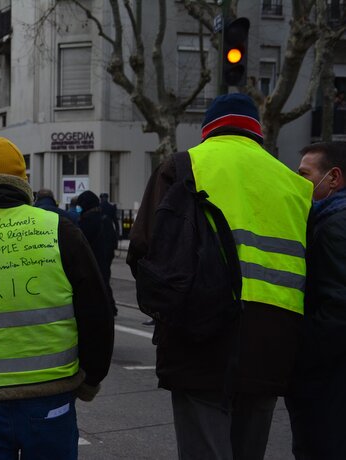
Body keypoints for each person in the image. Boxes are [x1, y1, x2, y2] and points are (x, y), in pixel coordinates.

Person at [127, 93, 313, 460]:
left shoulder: (184, 166)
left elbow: (143, 250)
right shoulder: (296, 184)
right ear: (258, 134)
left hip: (200, 336)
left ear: (207, 131)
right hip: (273, 341)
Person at [0, 137, 114, 459]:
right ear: (24, 182)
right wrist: (91, 378)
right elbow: (96, 310)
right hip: (52, 395)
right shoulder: (59, 228)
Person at [286, 141, 346, 459]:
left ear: (333, 178)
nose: (298, 183)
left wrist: (300, 356)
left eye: (304, 175)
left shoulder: (335, 226)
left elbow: (338, 309)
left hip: (328, 381)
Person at [77, 190, 118, 316]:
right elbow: (113, 239)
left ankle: (100, 309)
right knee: (104, 282)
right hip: (105, 258)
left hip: (92, 259)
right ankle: (111, 308)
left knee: (92, 286)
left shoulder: (85, 222)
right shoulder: (104, 219)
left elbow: (81, 243)